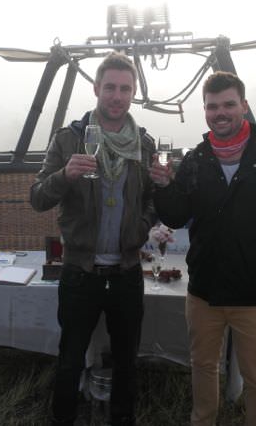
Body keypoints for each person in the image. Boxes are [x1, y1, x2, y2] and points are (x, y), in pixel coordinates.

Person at [150, 71, 256, 426]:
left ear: (244, 105)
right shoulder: (196, 159)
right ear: (205, 110)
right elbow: (177, 216)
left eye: (228, 104)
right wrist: (163, 187)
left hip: (255, 295)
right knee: (203, 367)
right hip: (204, 292)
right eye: (212, 106)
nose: (220, 112)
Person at [30, 52, 156, 426]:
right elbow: (37, 197)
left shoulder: (144, 145)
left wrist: (144, 226)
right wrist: (65, 175)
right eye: (110, 87)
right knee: (70, 358)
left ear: (133, 93)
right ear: (96, 88)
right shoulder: (69, 139)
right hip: (79, 273)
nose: (117, 96)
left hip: (127, 273)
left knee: (126, 362)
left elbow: (153, 196)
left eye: (125, 89)